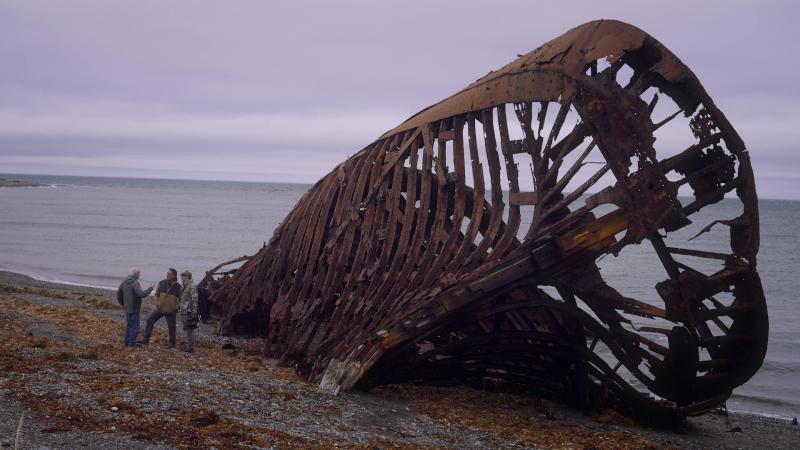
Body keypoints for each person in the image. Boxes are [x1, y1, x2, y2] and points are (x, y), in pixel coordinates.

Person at [141, 268, 181, 348]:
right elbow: (156, 294)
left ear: (174, 276)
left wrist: (176, 307)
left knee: (172, 327)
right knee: (150, 320)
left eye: (169, 274)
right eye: (167, 273)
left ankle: (172, 344)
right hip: (160, 308)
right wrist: (157, 302)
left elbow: (181, 299)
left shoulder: (179, 287)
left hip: (171, 310)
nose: (167, 275)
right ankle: (145, 340)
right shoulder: (162, 283)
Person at [117, 267, 154, 347]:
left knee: (129, 325)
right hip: (134, 308)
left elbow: (119, 295)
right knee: (134, 326)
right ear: (136, 274)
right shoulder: (135, 282)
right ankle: (132, 343)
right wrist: (150, 288)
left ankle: (127, 342)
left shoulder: (124, 281)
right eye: (139, 273)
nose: (139, 275)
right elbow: (141, 294)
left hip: (127, 307)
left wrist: (123, 304)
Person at [178, 270, 199, 353]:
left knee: (189, 329)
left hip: (188, 311)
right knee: (186, 328)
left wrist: (194, 313)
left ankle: (190, 348)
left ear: (188, 277)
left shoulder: (192, 286)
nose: (182, 277)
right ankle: (189, 346)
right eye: (182, 276)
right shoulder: (184, 286)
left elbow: (195, 299)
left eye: (184, 276)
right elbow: (182, 298)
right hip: (183, 310)